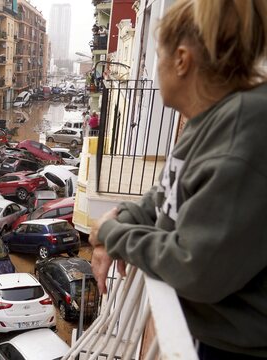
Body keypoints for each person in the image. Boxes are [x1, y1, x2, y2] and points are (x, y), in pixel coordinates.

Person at [89, 0, 267, 359]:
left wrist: (112, 234)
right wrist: (124, 217)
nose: (155, 68)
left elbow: (195, 267)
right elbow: (164, 195)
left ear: (182, 60)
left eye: (158, 55)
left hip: (229, 349)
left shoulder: (241, 131)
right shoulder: (209, 120)